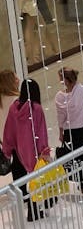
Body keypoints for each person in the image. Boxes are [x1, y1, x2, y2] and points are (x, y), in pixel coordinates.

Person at [2, 79, 51, 220]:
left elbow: (9, 131)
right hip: (34, 153)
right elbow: (41, 132)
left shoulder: (14, 108)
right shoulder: (36, 109)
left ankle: (32, 209)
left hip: (18, 154)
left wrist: (7, 149)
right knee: (38, 180)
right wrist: (45, 150)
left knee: (25, 183)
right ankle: (38, 208)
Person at [54, 68, 83, 201]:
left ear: (65, 80)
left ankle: (82, 183)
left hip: (71, 133)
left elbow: (61, 117)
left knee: (76, 160)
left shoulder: (60, 97)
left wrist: (61, 131)